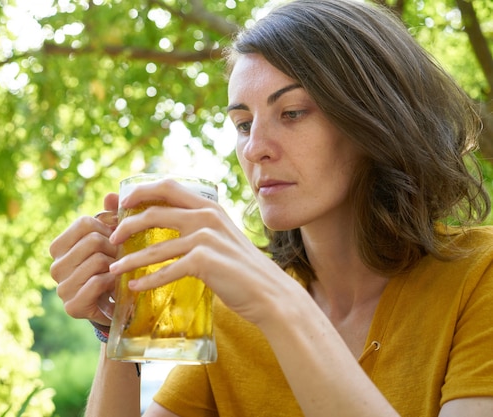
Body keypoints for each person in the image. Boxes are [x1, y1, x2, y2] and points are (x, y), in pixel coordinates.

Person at [49, 0, 493, 415]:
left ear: (375, 119)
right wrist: (117, 328)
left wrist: (277, 304)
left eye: (293, 113)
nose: (255, 148)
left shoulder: (479, 276)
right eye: (243, 124)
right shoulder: (231, 314)